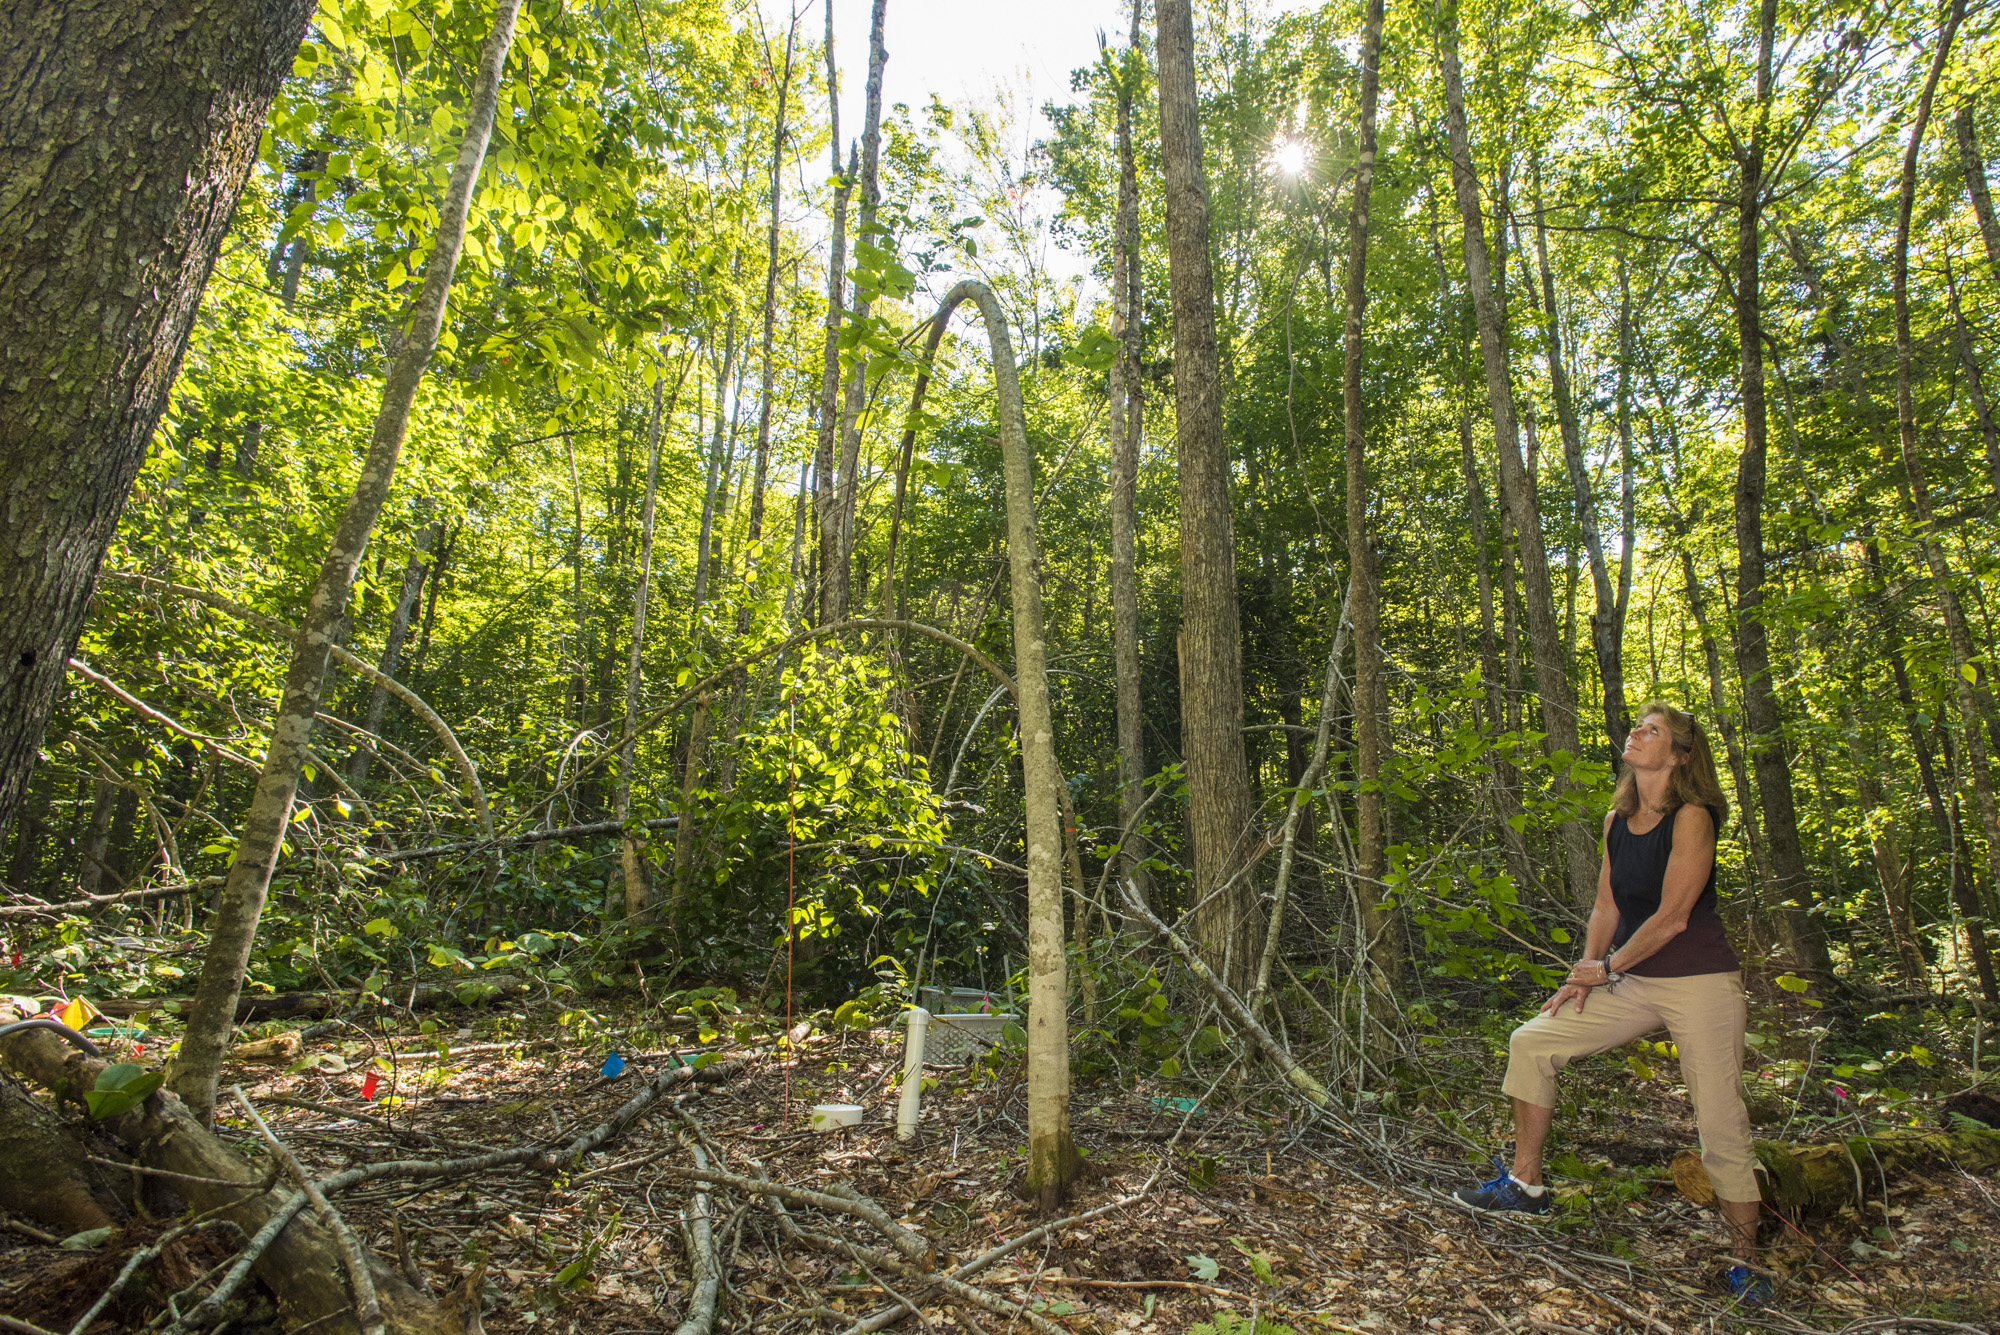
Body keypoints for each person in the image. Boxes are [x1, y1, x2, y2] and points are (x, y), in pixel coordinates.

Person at [1448, 703, 1772, 1306]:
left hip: (1700, 981)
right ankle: (1526, 1185)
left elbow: (1673, 918)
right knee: (1533, 1040)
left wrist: (1607, 967)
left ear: (1679, 754)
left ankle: (1747, 1263)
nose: (1637, 734)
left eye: (1653, 731)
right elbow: (1607, 908)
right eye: (1637, 727)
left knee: (1720, 1117)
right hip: (1635, 978)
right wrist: (1585, 972)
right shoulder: (1616, 820)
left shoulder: (1694, 818)